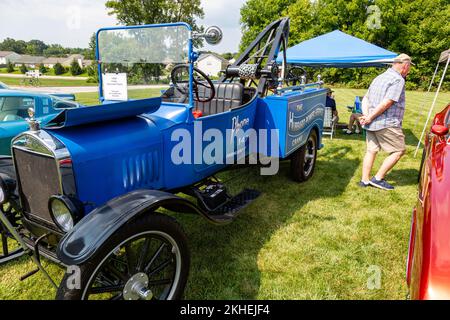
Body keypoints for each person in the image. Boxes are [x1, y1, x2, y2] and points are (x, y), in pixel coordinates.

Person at [359, 53, 413, 190]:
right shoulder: (398, 79)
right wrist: (369, 117)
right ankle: (378, 178)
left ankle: (364, 180)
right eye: (410, 67)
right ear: (405, 66)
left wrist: (366, 116)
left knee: (371, 151)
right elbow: (387, 102)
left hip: (371, 123)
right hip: (386, 122)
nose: (409, 70)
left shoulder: (379, 77)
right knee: (399, 150)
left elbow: (365, 98)